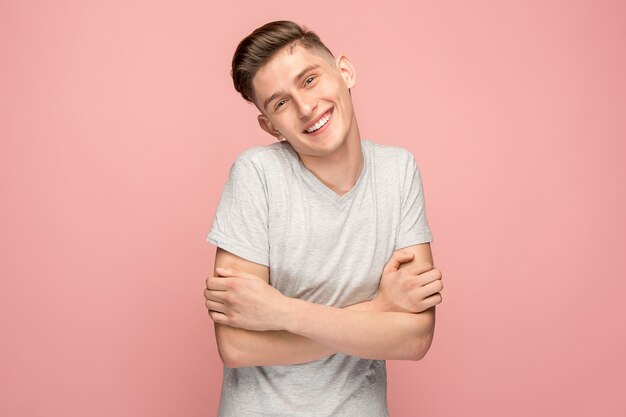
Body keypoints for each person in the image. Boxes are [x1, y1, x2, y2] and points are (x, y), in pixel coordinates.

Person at [204, 20, 443, 417]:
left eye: (310, 80)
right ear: (270, 126)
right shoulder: (256, 175)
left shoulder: (398, 171)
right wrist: (381, 309)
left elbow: (415, 338)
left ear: (345, 71)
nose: (305, 107)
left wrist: (281, 312)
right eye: (280, 102)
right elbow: (237, 347)